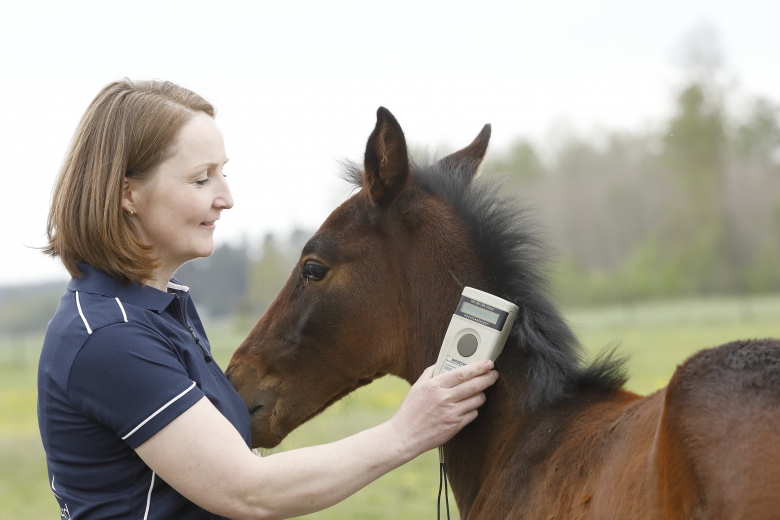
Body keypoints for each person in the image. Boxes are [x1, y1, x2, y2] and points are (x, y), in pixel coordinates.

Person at [38, 79, 499, 520]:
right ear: (129, 195)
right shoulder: (110, 336)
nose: (227, 198)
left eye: (224, 173)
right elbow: (247, 490)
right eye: (202, 179)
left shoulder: (158, 309)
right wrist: (406, 432)